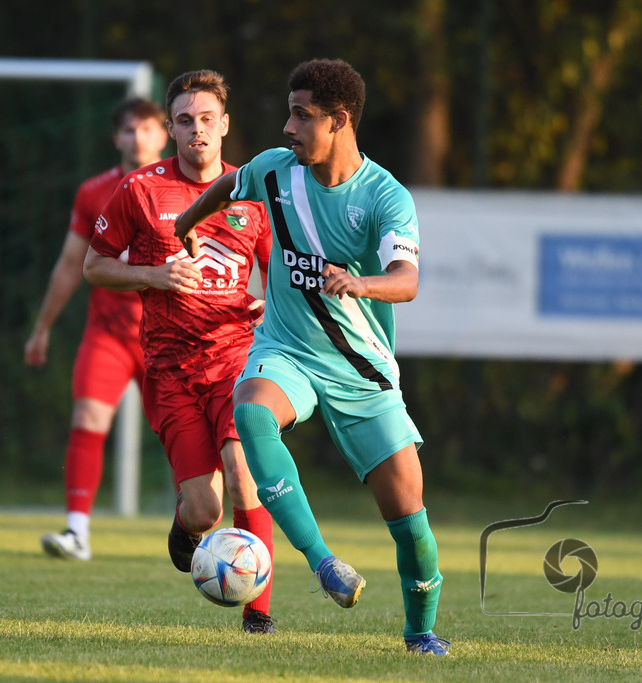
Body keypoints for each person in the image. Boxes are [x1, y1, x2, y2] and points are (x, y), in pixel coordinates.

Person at [174, 58, 451, 655]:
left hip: (361, 368)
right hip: (287, 349)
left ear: (340, 120)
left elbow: (406, 280)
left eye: (302, 115)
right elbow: (231, 183)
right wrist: (189, 224)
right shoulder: (276, 172)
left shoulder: (384, 196)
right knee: (249, 415)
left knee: (412, 523)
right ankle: (322, 562)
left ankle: (421, 631)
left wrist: (360, 283)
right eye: (289, 112)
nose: (287, 127)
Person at [83, 70, 276, 634]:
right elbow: (96, 266)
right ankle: (187, 528)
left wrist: (267, 302)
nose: (197, 130)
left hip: (238, 363)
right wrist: (155, 275)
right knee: (206, 510)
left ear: (225, 126)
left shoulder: (254, 190)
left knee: (246, 475)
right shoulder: (140, 190)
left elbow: (275, 270)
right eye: (186, 120)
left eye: (207, 120)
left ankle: (258, 615)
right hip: (170, 371)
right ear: (170, 128)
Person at [25, 98, 170, 561]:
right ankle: (77, 532)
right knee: (87, 420)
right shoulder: (93, 192)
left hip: (168, 336)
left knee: (185, 432)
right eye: (129, 130)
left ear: (162, 134)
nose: (138, 137)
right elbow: (72, 264)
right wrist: (42, 328)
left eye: (146, 128)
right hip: (107, 333)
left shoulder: (186, 188)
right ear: (117, 139)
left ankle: (206, 534)